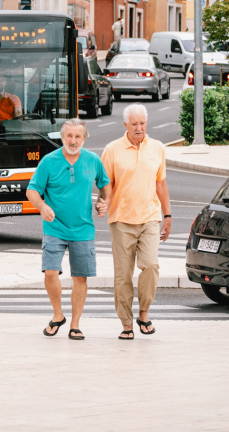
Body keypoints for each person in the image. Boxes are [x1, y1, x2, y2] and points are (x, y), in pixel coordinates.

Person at [26, 118, 111, 341]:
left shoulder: (93, 160)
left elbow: (105, 185)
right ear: (62, 137)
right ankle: (57, 314)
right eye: (69, 136)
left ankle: (75, 324)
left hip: (83, 229)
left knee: (80, 278)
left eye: (78, 136)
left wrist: (104, 202)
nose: (73, 141)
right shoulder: (49, 161)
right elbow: (32, 191)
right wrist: (42, 206)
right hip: (54, 227)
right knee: (50, 272)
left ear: (84, 138)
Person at [100, 104, 171, 340]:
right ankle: (126, 323)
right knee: (122, 275)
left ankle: (144, 313)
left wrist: (167, 216)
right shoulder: (112, 150)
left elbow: (161, 184)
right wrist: (104, 202)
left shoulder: (158, 148)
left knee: (150, 265)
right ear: (125, 126)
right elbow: (104, 183)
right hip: (121, 220)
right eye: (134, 124)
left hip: (150, 217)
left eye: (142, 123)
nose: (139, 128)